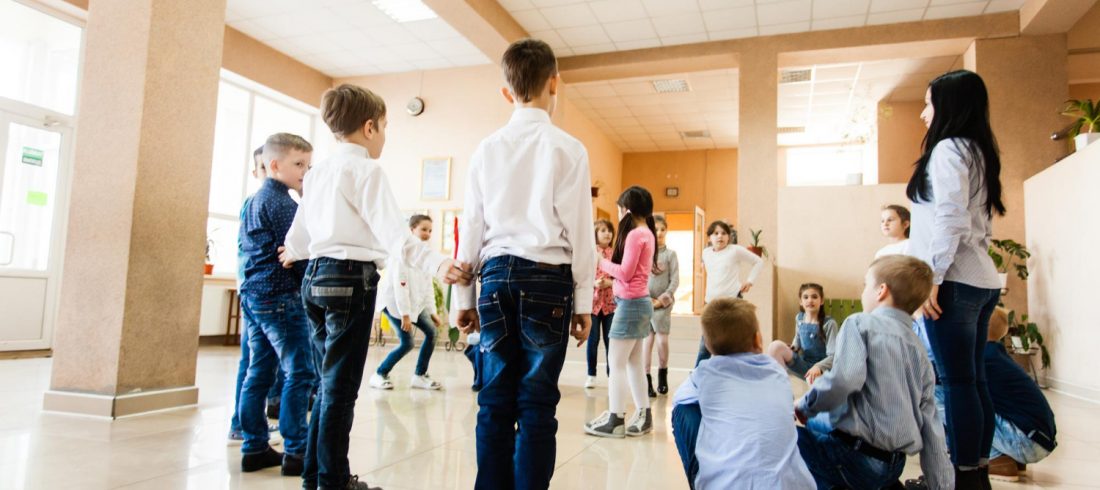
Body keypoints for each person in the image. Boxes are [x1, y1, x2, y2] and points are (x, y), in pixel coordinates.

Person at [282, 84, 472, 490]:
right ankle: (332, 482)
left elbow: (299, 234)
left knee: (326, 382)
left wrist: (293, 253)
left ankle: (314, 476)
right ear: (369, 128)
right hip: (349, 280)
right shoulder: (366, 170)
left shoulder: (317, 174)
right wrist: (438, 263)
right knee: (340, 389)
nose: (385, 135)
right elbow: (395, 237)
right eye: (385, 126)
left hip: (314, 279)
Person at [453, 38, 596, 490]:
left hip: (493, 278)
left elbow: (470, 227)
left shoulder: (486, 148)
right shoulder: (568, 148)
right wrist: (584, 302)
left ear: (505, 92)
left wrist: (463, 295)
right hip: (548, 281)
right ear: (556, 83)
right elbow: (580, 232)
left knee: (494, 399)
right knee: (536, 403)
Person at [907, 69, 1005, 488]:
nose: (924, 115)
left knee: (958, 382)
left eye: (929, 104)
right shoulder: (977, 149)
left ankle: (962, 478)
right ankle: (976, 470)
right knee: (973, 380)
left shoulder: (948, 149)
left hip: (955, 281)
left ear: (949, 105)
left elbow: (950, 217)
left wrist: (933, 278)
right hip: (979, 280)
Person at [795, 255, 953, 490]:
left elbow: (845, 380)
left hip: (855, 460)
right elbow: (932, 425)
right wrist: (941, 485)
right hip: (892, 465)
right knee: (819, 424)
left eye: (865, 285)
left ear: (881, 291)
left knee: (786, 436)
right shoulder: (919, 348)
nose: (862, 292)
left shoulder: (859, 323)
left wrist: (805, 404)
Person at [671, 298, 814, 490]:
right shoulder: (776, 370)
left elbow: (679, 398)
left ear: (709, 346)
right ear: (758, 339)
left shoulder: (705, 373)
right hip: (790, 485)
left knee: (683, 409)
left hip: (726, 485)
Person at [237, 133, 315, 476]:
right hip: (281, 296)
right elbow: (298, 256)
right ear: (273, 165)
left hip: (253, 294)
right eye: (299, 164)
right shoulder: (284, 204)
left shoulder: (254, 200)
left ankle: (253, 447)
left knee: (259, 372)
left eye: (308, 165)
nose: (305, 172)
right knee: (300, 372)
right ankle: (297, 450)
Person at [937, 308, 1057, 482]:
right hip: (1036, 440)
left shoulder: (982, 357)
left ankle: (994, 459)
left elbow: (941, 378)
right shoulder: (995, 354)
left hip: (1025, 441)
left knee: (939, 395)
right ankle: (1007, 456)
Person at [584, 186, 656, 438]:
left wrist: (599, 261)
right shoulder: (647, 232)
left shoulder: (636, 234)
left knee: (616, 364)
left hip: (631, 306)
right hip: (639, 303)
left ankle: (616, 419)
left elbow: (624, 272)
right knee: (634, 362)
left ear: (626, 210)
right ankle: (644, 415)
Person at [229, 145, 282, 446]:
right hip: (257, 291)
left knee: (258, 361)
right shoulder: (258, 202)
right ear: (257, 172)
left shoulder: (265, 203)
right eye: (264, 168)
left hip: (255, 290)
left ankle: (249, 421)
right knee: (253, 361)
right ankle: (241, 425)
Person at [369, 214, 444, 391]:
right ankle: (379, 374)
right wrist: (405, 315)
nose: (427, 233)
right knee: (407, 343)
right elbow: (400, 287)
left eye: (430, 230)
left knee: (432, 333)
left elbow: (427, 287)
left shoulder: (423, 254)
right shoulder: (401, 252)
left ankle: (419, 376)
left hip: (412, 305)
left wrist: (432, 312)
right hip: (394, 304)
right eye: (423, 229)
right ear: (412, 230)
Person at [695, 220, 763, 366]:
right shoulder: (706, 253)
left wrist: (750, 281)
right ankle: (697, 374)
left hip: (732, 301)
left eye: (724, 233)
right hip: (711, 303)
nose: (720, 236)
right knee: (705, 343)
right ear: (709, 238)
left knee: (736, 340)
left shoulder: (735, 250)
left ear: (729, 237)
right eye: (716, 233)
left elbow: (758, 262)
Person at [766, 283, 838, 385]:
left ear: (821, 301)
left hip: (822, 370)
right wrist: (793, 347)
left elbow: (834, 356)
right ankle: (780, 391)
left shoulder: (829, 324)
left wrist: (818, 367)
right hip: (803, 364)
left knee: (811, 379)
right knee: (775, 347)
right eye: (805, 297)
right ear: (801, 301)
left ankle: (808, 397)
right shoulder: (799, 318)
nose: (810, 300)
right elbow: (797, 339)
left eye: (814, 297)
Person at [644, 214, 678, 396]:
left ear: (666, 231)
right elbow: (640, 278)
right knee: (646, 342)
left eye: (662, 229)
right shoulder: (645, 253)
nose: (659, 233)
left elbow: (675, 280)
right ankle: (646, 379)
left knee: (662, 341)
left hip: (663, 306)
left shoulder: (671, 255)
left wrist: (662, 299)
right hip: (646, 304)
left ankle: (662, 373)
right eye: (655, 229)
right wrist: (647, 299)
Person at [586, 219, 615, 389]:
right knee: (593, 339)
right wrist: (594, 282)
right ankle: (591, 374)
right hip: (593, 304)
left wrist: (610, 283)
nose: (607, 233)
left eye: (609, 230)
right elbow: (584, 273)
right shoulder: (591, 252)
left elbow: (620, 276)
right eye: (603, 230)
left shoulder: (615, 253)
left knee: (610, 341)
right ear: (595, 233)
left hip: (611, 304)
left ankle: (613, 375)